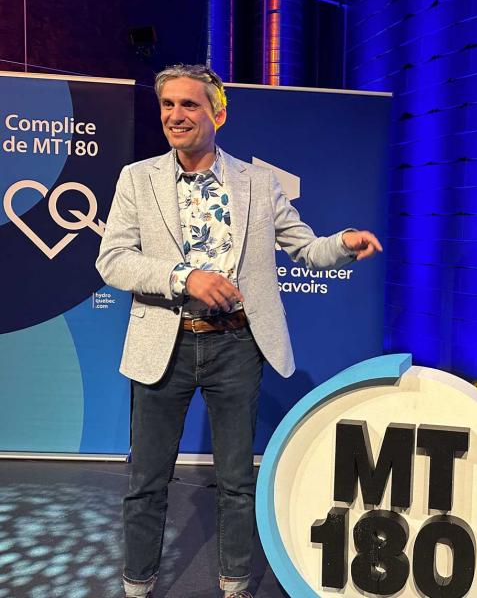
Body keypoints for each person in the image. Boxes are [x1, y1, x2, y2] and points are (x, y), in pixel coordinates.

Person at [96, 64, 382, 598]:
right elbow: (112, 261)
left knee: (236, 480)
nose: (175, 116)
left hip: (236, 346)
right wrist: (185, 278)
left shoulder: (257, 182)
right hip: (164, 345)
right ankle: (137, 584)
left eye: (189, 105)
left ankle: (235, 583)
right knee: (147, 481)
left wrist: (343, 243)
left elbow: (305, 247)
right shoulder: (137, 179)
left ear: (218, 114)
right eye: (167, 105)